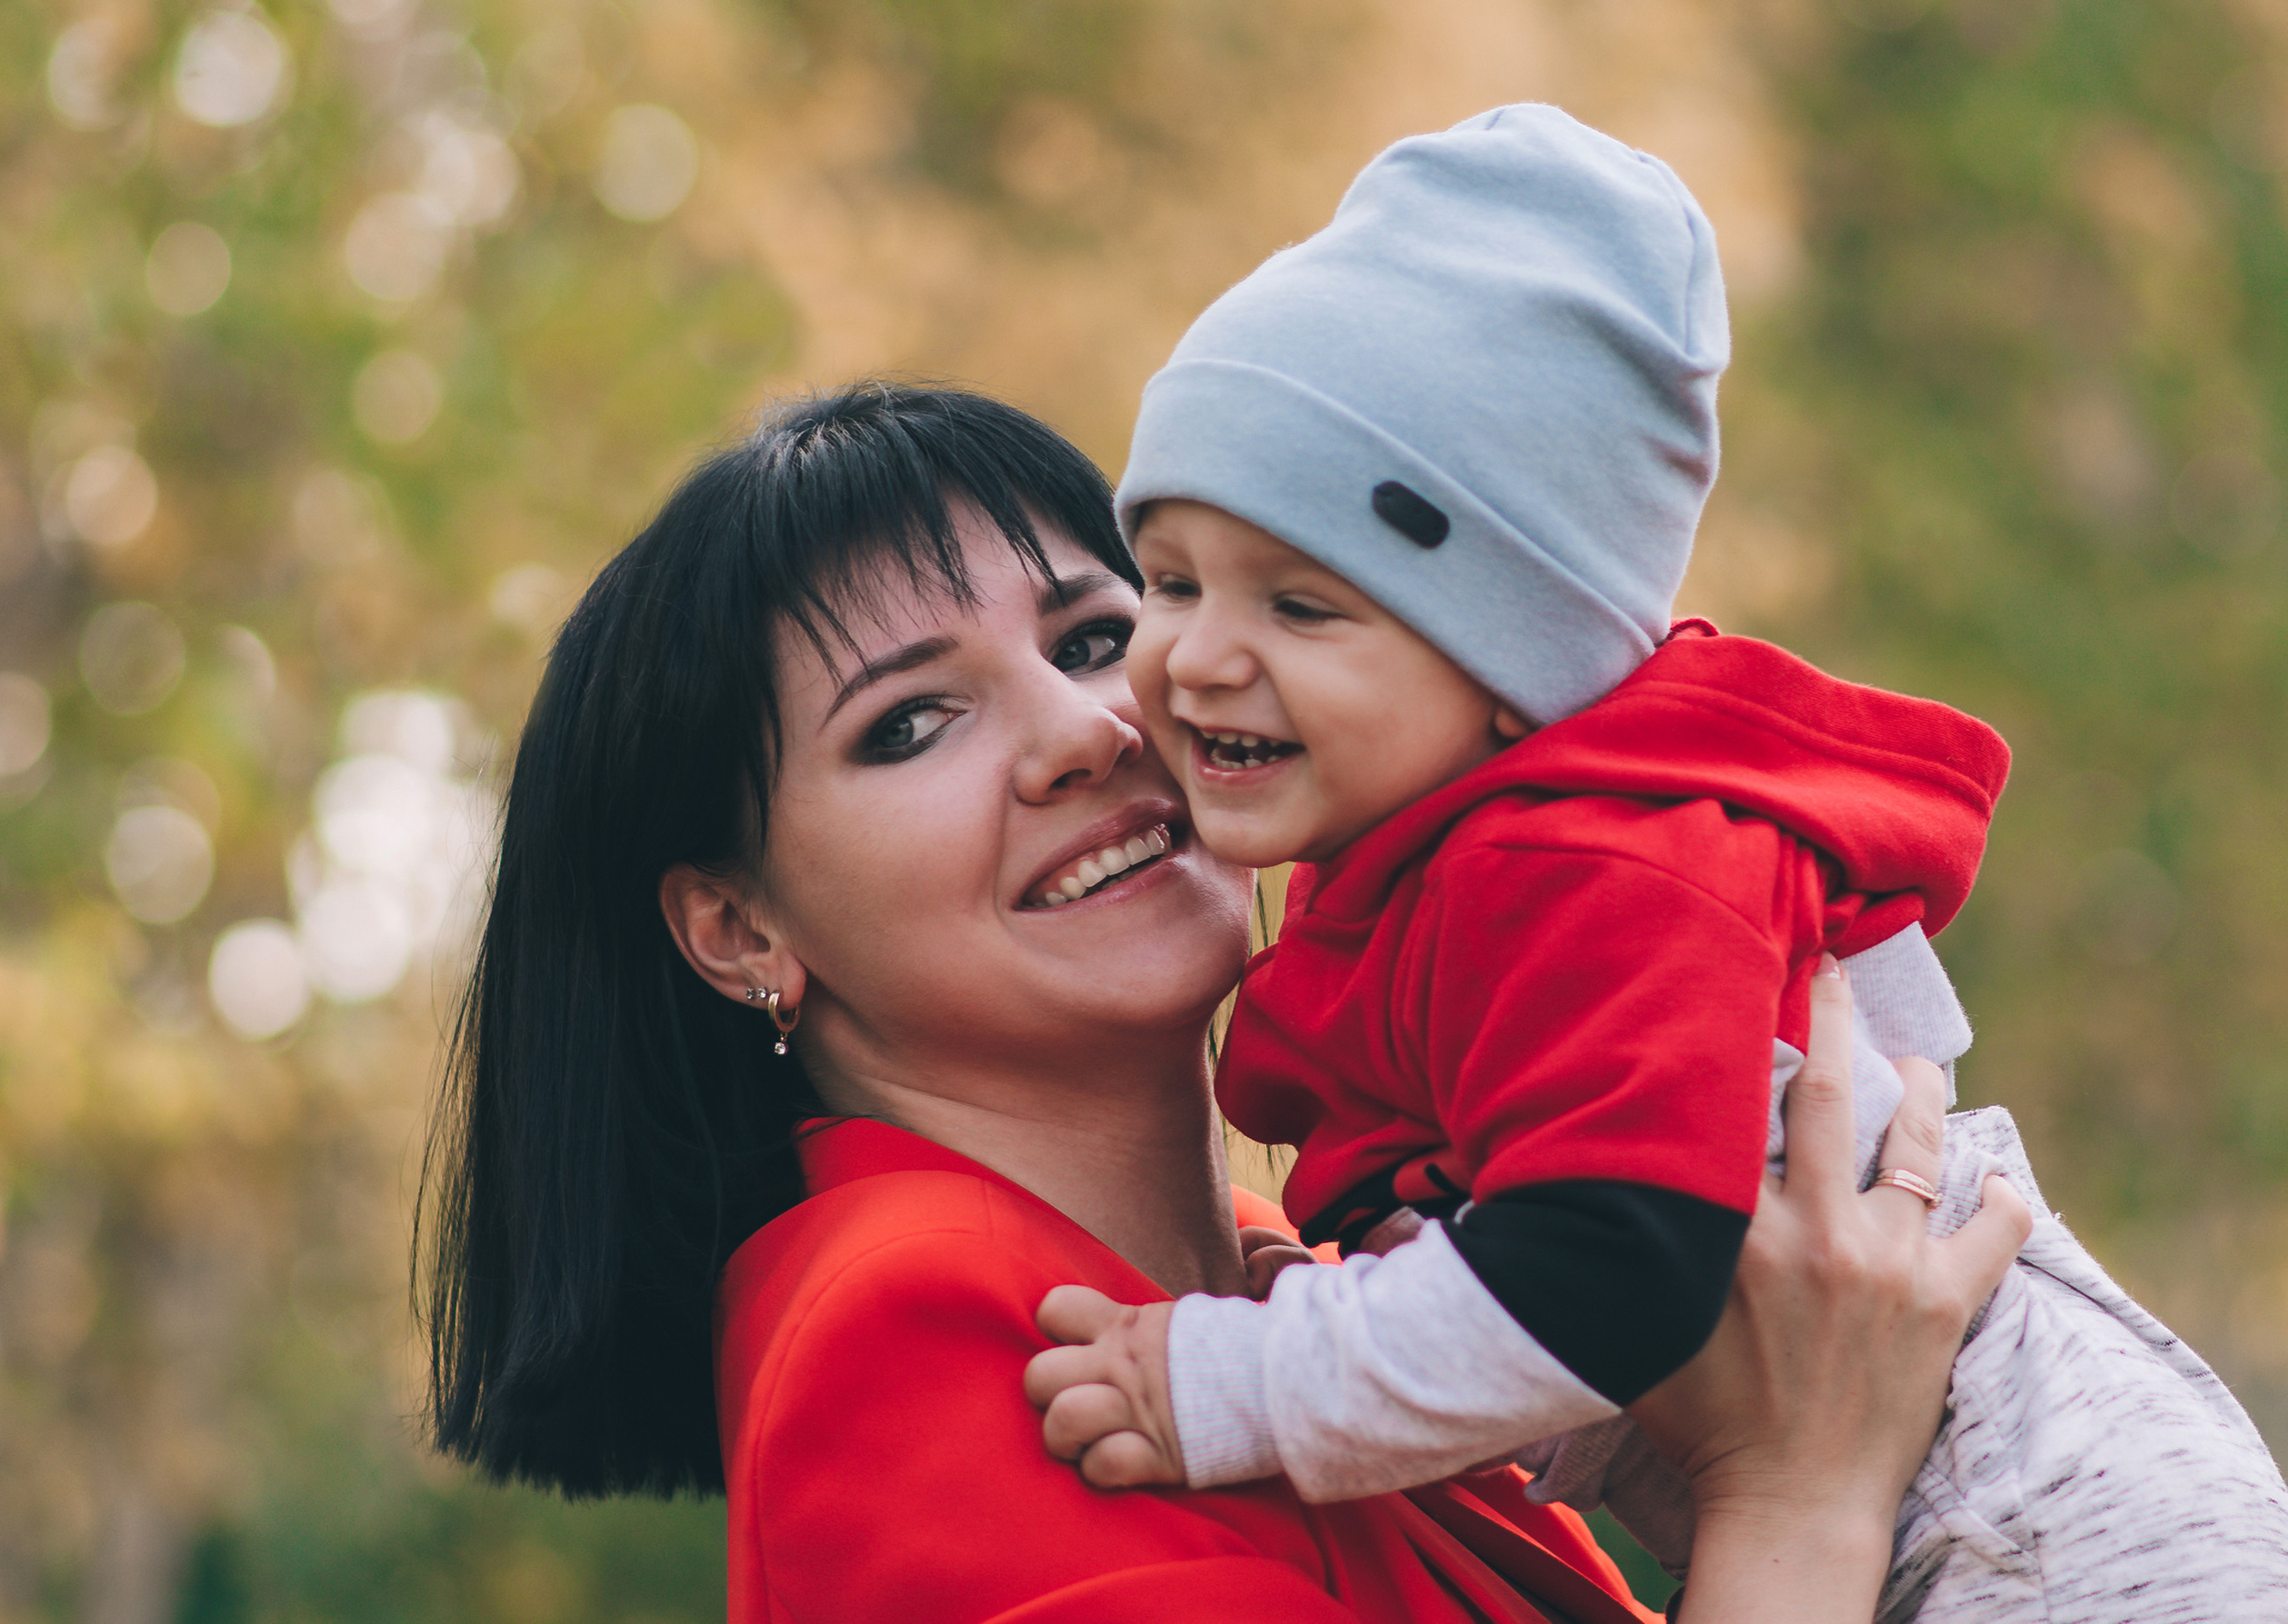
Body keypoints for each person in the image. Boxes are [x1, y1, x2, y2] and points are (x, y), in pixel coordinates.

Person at [418, 383, 2026, 1623]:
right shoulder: (912, 1332)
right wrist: (1796, 1492)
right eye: (911, 725)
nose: (1090, 728)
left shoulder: (1347, 1316)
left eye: (1101, 632)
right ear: (736, 925)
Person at [1024, 105, 2288, 1621]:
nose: (1200, 655)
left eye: (1304, 608)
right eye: (1168, 579)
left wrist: (1233, 1387)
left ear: (1513, 661)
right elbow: (1883, 1011)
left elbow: (1615, 1260)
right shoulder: (1528, 827)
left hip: (2051, 1529)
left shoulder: (1584, 860)